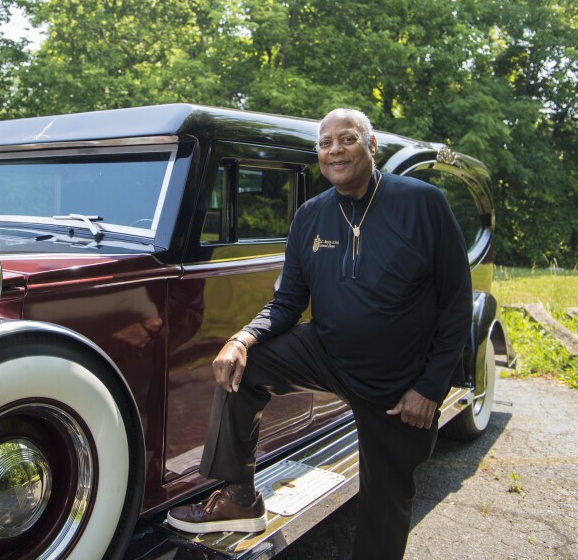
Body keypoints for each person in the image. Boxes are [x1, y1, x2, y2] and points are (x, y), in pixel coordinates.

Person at [167, 108, 473, 559]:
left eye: (347, 139)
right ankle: (238, 496)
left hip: (397, 376)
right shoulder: (310, 216)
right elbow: (288, 301)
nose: (335, 149)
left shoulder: (423, 203)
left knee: (385, 502)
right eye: (325, 143)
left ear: (371, 147)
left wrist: (429, 387)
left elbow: (456, 302)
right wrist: (242, 338)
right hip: (326, 351)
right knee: (240, 368)